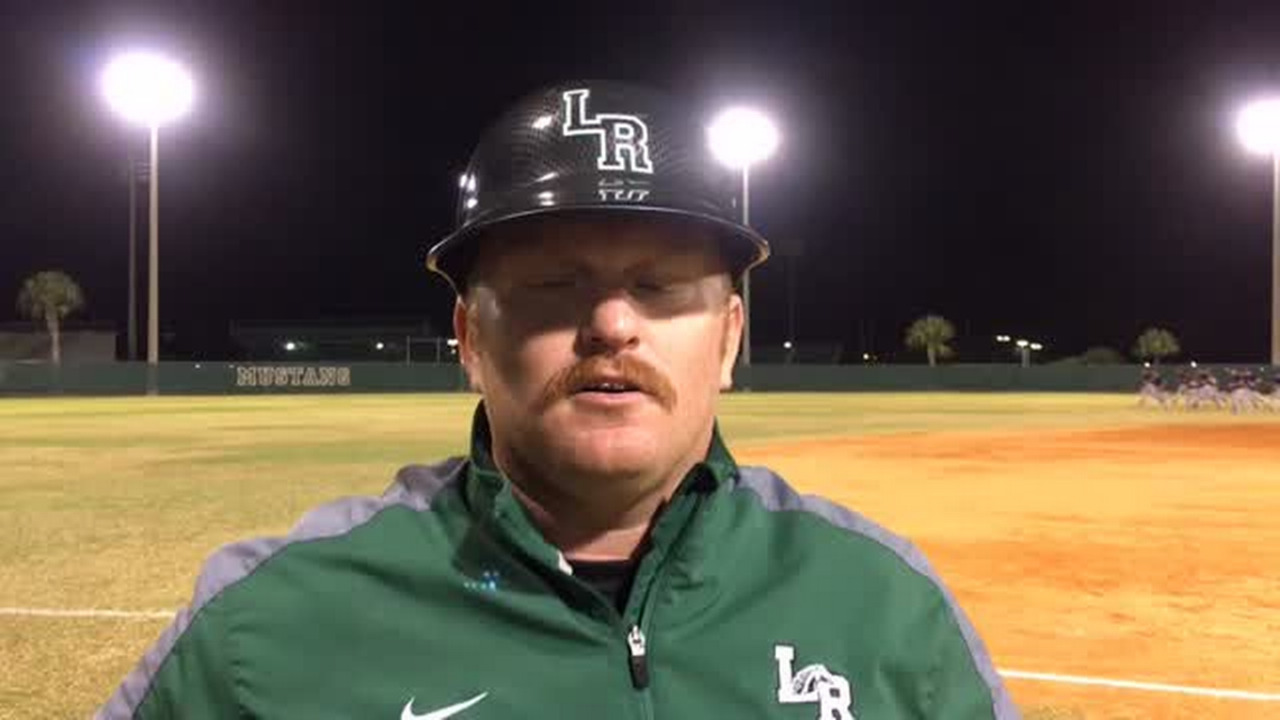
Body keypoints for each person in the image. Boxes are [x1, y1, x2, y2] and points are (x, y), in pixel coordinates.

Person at [99, 81, 1016, 719]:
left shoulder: (882, 604)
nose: (612, 323)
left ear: (730, 339)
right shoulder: (276, 619)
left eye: (660, 287)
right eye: (551, 285)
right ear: (470, 339)